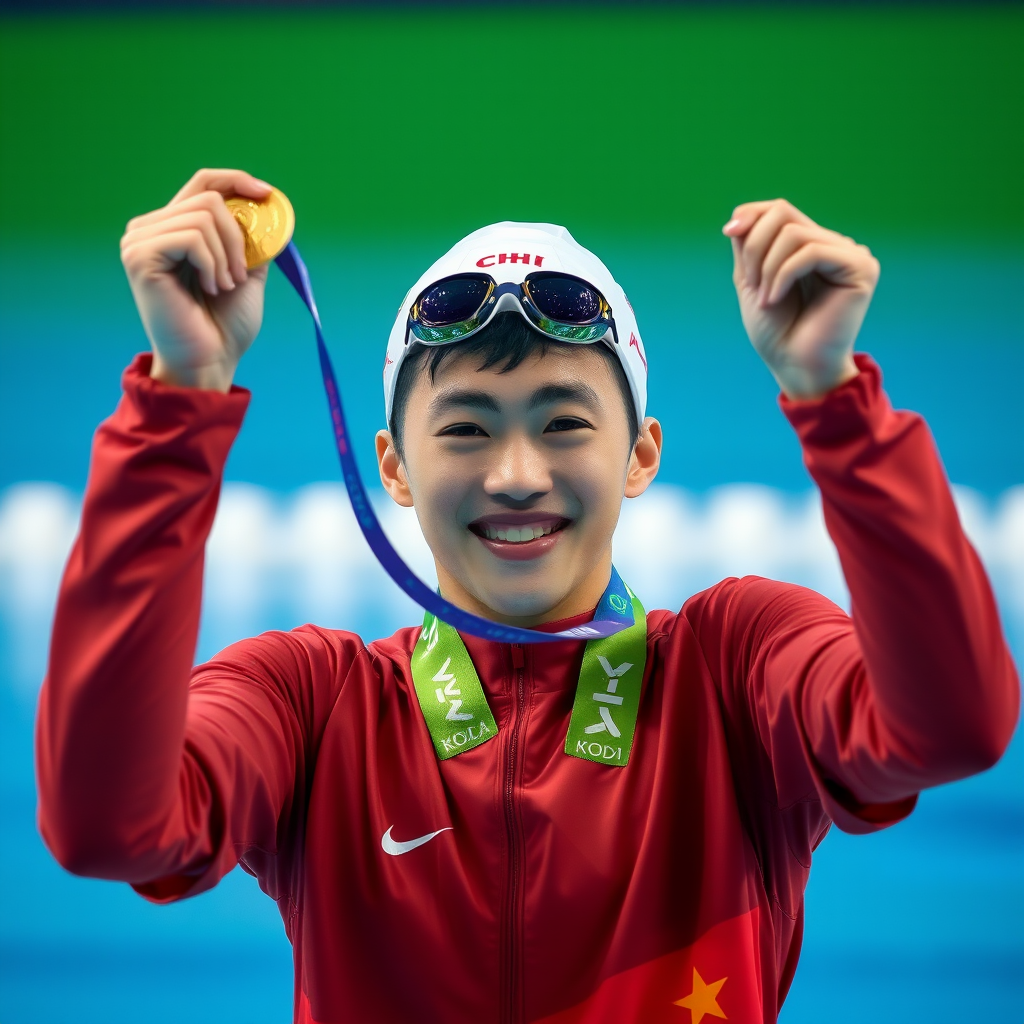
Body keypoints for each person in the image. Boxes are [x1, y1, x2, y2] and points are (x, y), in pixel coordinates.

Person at [37, 168, 1018, 1024]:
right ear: (394, 466)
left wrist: (831, 396)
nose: (515, 474)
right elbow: (104, 826)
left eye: (562, 423)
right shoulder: (313, 705)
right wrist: (182, 400)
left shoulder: (735, 669)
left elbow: (951, 726)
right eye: (464, 429)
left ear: (639, 455)